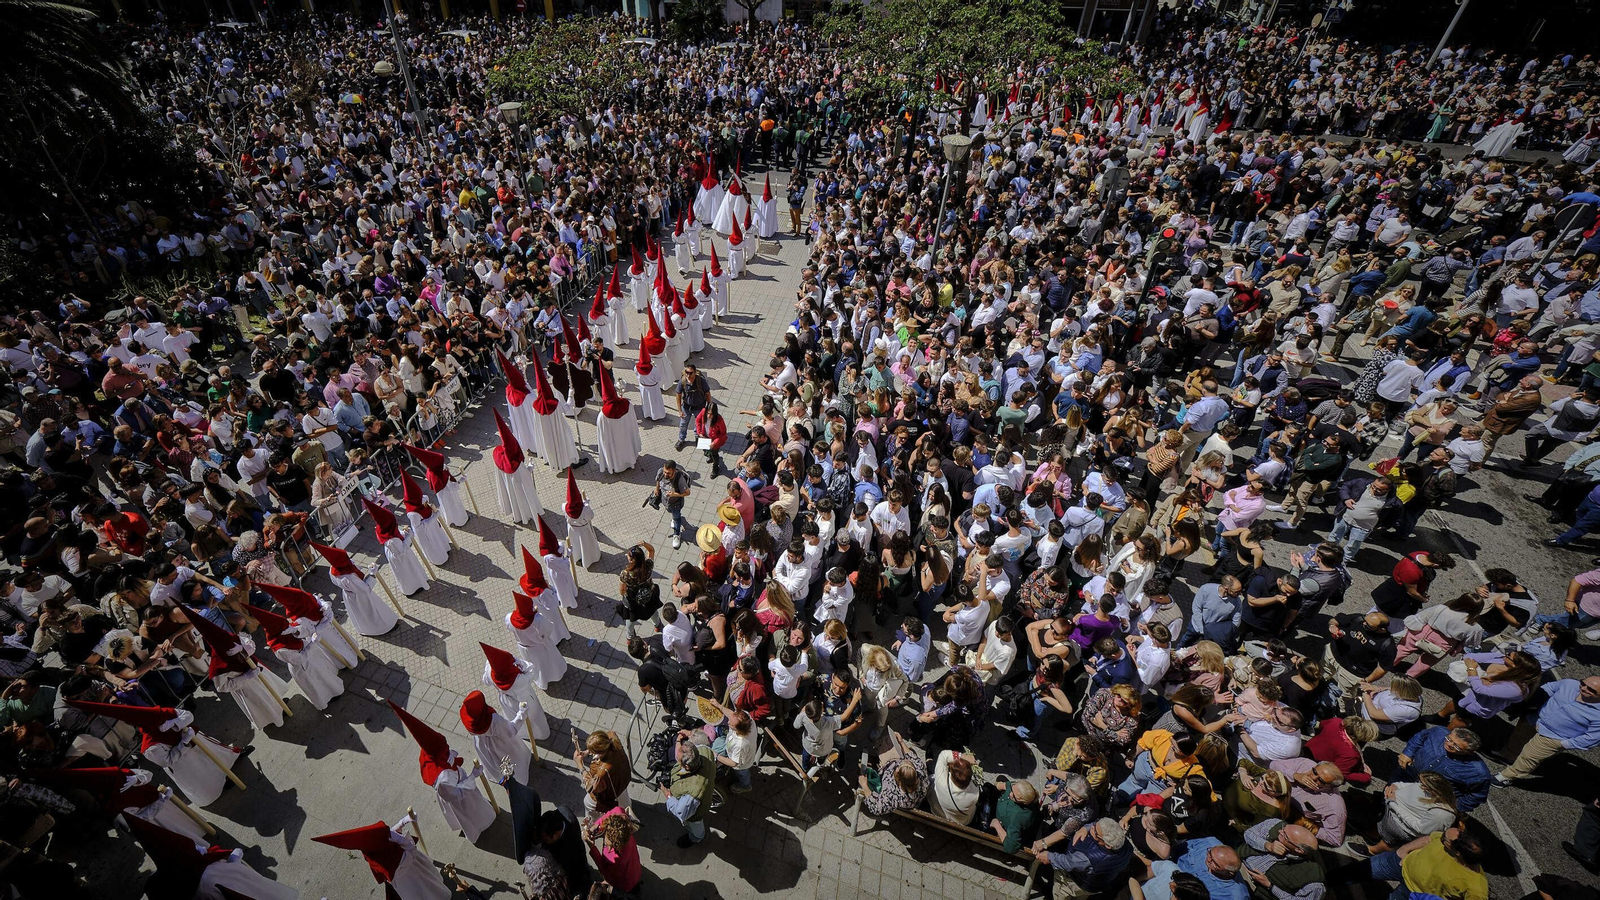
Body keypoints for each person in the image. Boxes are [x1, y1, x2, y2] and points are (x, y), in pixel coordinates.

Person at [1495, 676, 1600, 784]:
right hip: (1535, 719)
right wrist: (1535, 701)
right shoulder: (1570, 684)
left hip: (1554, 736)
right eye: (1583, 683)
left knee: (1529, 757)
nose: (1583, 688)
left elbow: (1591, 739)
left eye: (1591, 689)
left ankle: (1507, 777)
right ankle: (1509, 756)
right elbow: (1549, 688)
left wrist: (1564, 744)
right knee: (1518, 737)